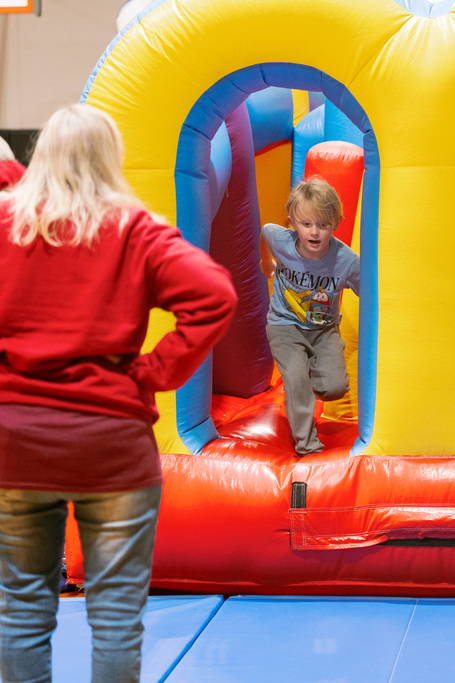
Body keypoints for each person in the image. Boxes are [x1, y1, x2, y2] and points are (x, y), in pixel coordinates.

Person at [0, 104, 237, 683]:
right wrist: (153, 372)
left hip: (17, 444)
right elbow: (216, 296)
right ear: (113, 159)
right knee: (115, 617)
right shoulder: (135, 230)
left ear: (41, 156)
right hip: (110, 446)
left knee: (21, 610)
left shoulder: (8, 224)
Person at [262, 178, 360, 455]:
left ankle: (299, 393)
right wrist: (265, 262)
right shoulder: (279, 238)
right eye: (306, 224)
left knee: (333, 388)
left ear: (335, 224)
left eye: (323, 225)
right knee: (296, 378)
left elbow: (371, 293)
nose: (314, 232)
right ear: (292, 221)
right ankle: (307, 444)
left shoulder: (347, 261)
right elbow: (265, 232)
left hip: (323, 329)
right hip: (284, 324)